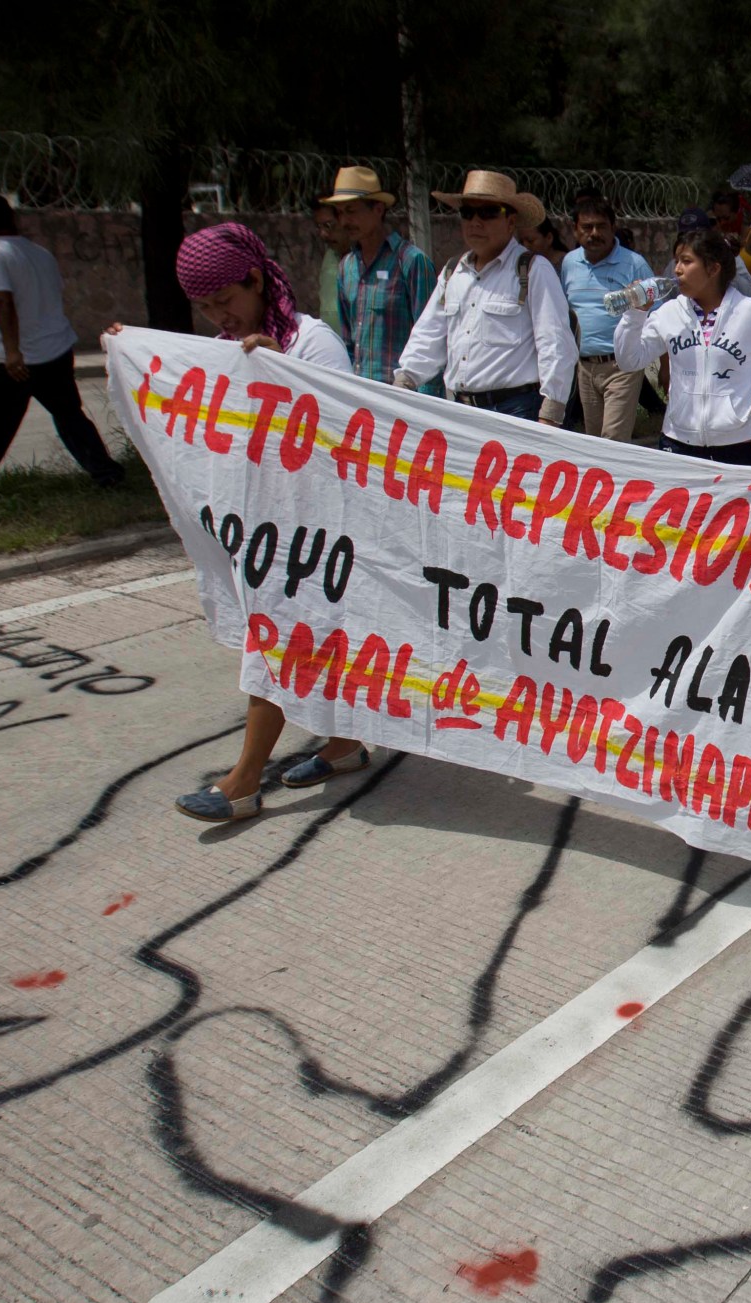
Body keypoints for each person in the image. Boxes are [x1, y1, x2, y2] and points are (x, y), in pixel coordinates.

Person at [153, 225, 365, 822]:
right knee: (313, 644)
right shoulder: (228, 347)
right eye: (206, 307)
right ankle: (345, 744)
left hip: (315, 532)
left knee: (275, 646)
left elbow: (345, 439)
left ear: (256, 279)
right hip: (263, 527)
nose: (219, 315)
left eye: (226, 299)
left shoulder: (310, 344)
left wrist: (281, 376)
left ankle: (242, 782)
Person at [0, 193, 127, 505]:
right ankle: (106, 473)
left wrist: (12, 352)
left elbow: (2, 300)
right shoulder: (40, 254)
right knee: (70, 416)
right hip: (56, 350)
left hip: (20, 358)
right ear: (11, 215)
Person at [392, 170, 576, 424]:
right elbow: (429, 334)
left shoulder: (533, 270)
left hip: (515, 412)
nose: (475, 222)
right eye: (468, 213)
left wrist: (551, 413)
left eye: (488, 213)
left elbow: (555, 342)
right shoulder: (453, 272)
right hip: (459, 412)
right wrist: (405, 381)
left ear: (511, 222)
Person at [612, 227, 751, 464]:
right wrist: (635, 314)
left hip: (741, 444)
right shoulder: (669, 313)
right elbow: (630, 360)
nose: (677, 269)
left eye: (687, 261)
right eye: (676, 260)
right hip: (679, 443)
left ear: (713, 268)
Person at [326, 166, 439, 391]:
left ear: (378, 209)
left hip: (402, 399)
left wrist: (427, 405)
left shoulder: (411, 262)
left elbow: (432, 341)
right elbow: (349, 343)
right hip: (362, 398)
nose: (344, 221)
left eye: (351, 211)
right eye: (339, 213)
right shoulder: (346, 268)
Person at [560, 194, 655, 442]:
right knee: (594, 440)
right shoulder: (570, 264)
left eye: (601, 226)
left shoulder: (634, 264)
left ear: (613, 227)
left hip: (621, 366)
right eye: (587, 227)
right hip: (584, 366)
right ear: (575, 230)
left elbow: (658, 313)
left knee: (613, 439)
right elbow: (564, 312)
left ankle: (622, 481)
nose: (594, 233)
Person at [312, 202, 346, 323]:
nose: (323, 234)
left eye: (328, 225)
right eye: (319, 227)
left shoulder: (365, 261)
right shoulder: (330, 257)